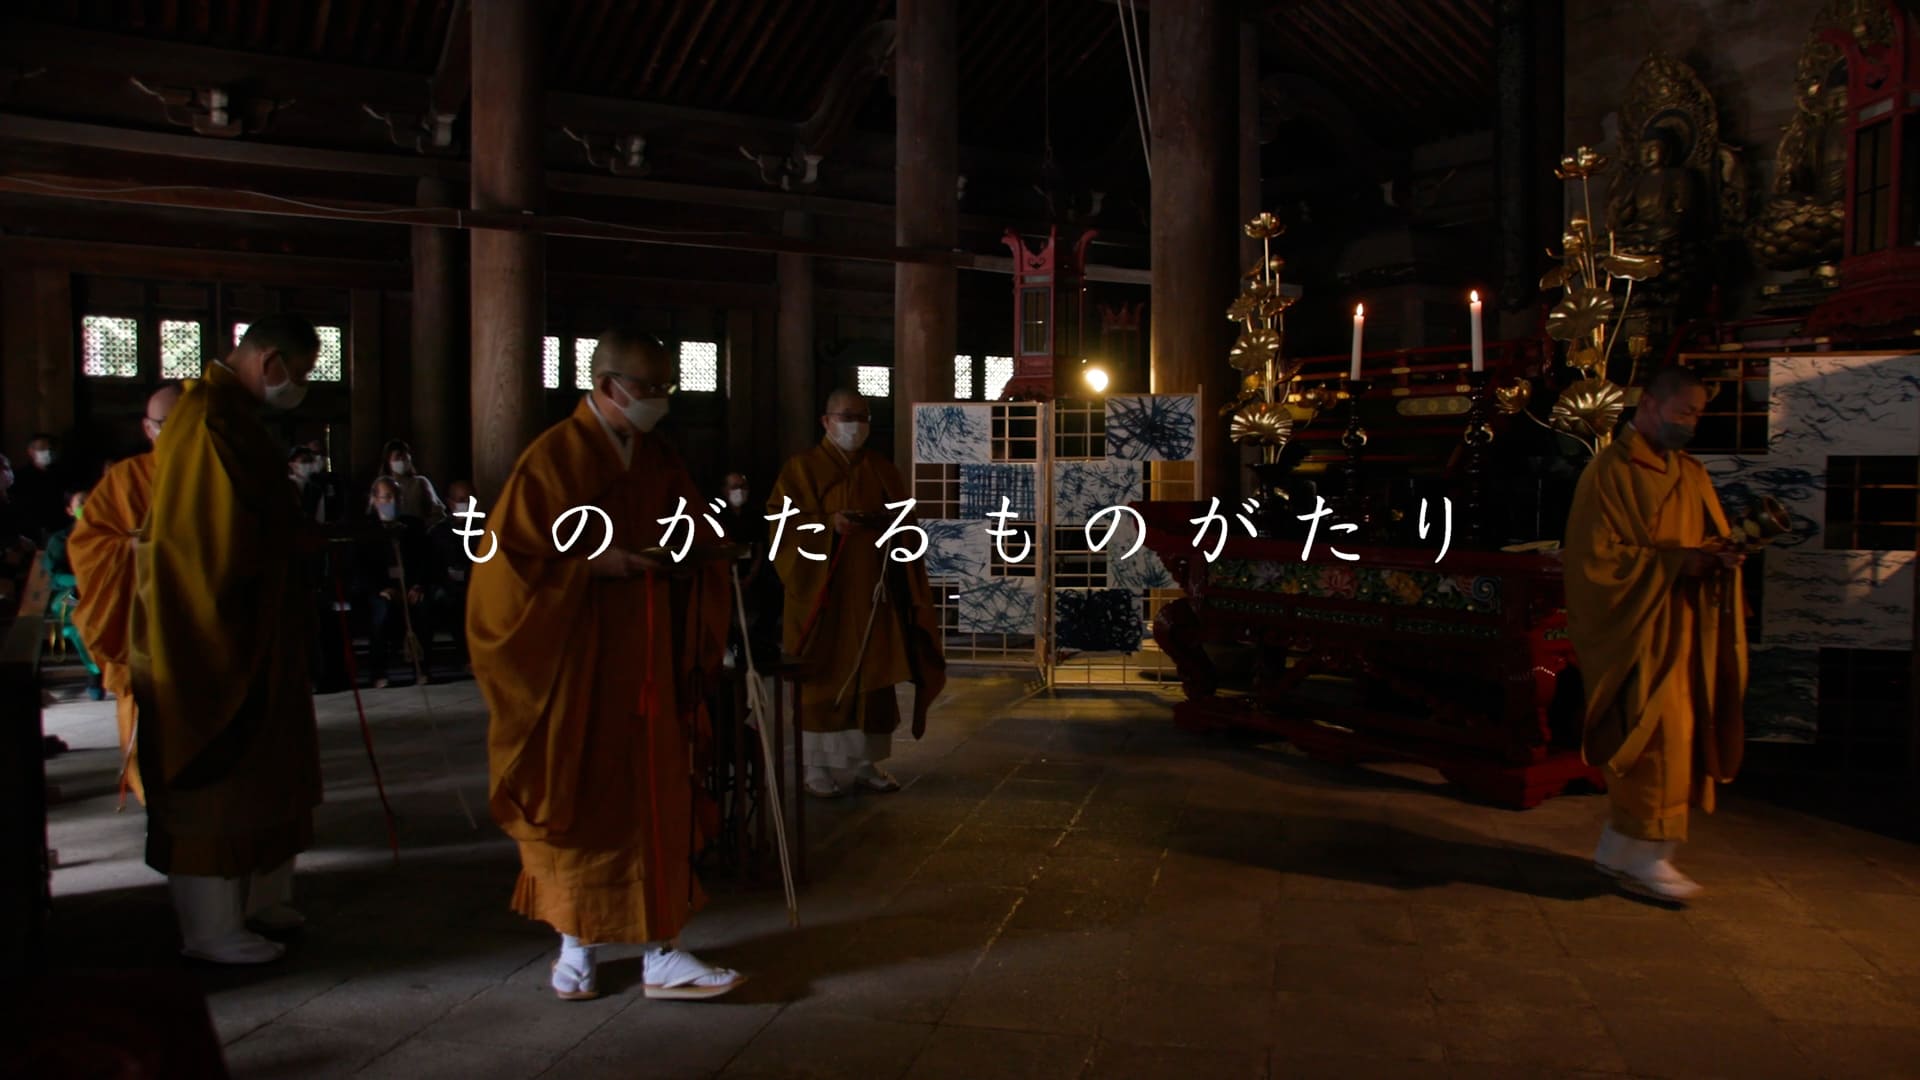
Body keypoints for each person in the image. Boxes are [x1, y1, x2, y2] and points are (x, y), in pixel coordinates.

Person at [467, 326, 744, 1002]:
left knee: (655, 797)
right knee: (582, 797)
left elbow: (691, 527)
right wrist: (591, 566)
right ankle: (576, 946)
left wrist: (706, 553)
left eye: (665, 388)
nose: (658, 400)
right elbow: (506, 572)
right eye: (647, 387)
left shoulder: (658, 458)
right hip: (577, 665)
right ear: (604, 386)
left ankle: (662, 949)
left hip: (648, 657)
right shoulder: (552, 459)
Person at [129, 315, 324, 964]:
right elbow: (206, 547)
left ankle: (259, 898)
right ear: (270, 363)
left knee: (270, 769)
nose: (299, 386)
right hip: (212, 632)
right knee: (215, 773)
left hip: (258, 626)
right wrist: (286, 547)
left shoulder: (233, 416)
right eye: (300, 373)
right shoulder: (209, 422)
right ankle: (211, 927)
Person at [1564, 366, 1748, 903]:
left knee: (1682, 737)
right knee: (1651, 740)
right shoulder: (1609, 473)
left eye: (1698, 414)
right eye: (1684, 411)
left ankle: (1620, 850)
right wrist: (1673, 564)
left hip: (1685, 628)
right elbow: (1595, 561)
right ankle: (1647, 857)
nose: (1691, 423)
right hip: (1638, 632)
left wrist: (1719, 556)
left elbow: (1706, 537)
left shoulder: (1689, 472)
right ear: (1648, 405)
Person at [767, 388, 946, 799]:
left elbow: (906, 524)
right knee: (822, 677)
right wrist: (828, 524)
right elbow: (782, 525)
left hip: (873, 595)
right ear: (826, 421)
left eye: (863, 417)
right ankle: (816, 767)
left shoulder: (881, 469)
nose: (855, 425)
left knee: (874, 677)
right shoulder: (802, 469)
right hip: (823, 594)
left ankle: (868, 763)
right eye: (846, 417)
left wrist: (892, 527)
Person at [67, 384, 183, 795]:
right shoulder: (125, 479)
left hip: (206, 625)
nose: (176, 431)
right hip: (144, 625)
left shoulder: (221, 476)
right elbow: (87, 547)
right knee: (155, 739)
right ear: (148, 429)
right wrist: (137, 547)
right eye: (166, 424)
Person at [356, 476, 438, 688]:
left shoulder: (413, 526)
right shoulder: (365, 529)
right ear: (375, 499)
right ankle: (378, 672)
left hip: (409, 586)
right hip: (381, 589)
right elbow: (359, 567)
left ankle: (422, 669)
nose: (391, 502)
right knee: (381, 611)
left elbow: (426, 560)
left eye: (396, 497)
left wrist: (418, 585)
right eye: (386, 497)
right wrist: (382, 589)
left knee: (424, 607)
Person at [427, 480, 478, 674]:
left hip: (474, 584)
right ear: (450, 502)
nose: (466, 503)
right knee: (453, 602)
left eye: (470, 499)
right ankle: (466, 657)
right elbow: (432, 566)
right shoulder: (438, 533)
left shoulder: (483, 529)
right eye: (461, 500)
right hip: (447, 586)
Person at [15, 433, 73, 545]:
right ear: (31, 451)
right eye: (42, 449)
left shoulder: (63, 474)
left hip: (62, 529)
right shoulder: (21, 477)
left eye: (50, 449)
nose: (47, 452)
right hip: (33, 533)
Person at [380, 439, 447, 527]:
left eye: (405, 456)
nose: (402, 460)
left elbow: (438, 513)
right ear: (388, 460)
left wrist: (422, 526)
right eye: (398, 456)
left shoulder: (420, 482)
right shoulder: (382, 486)